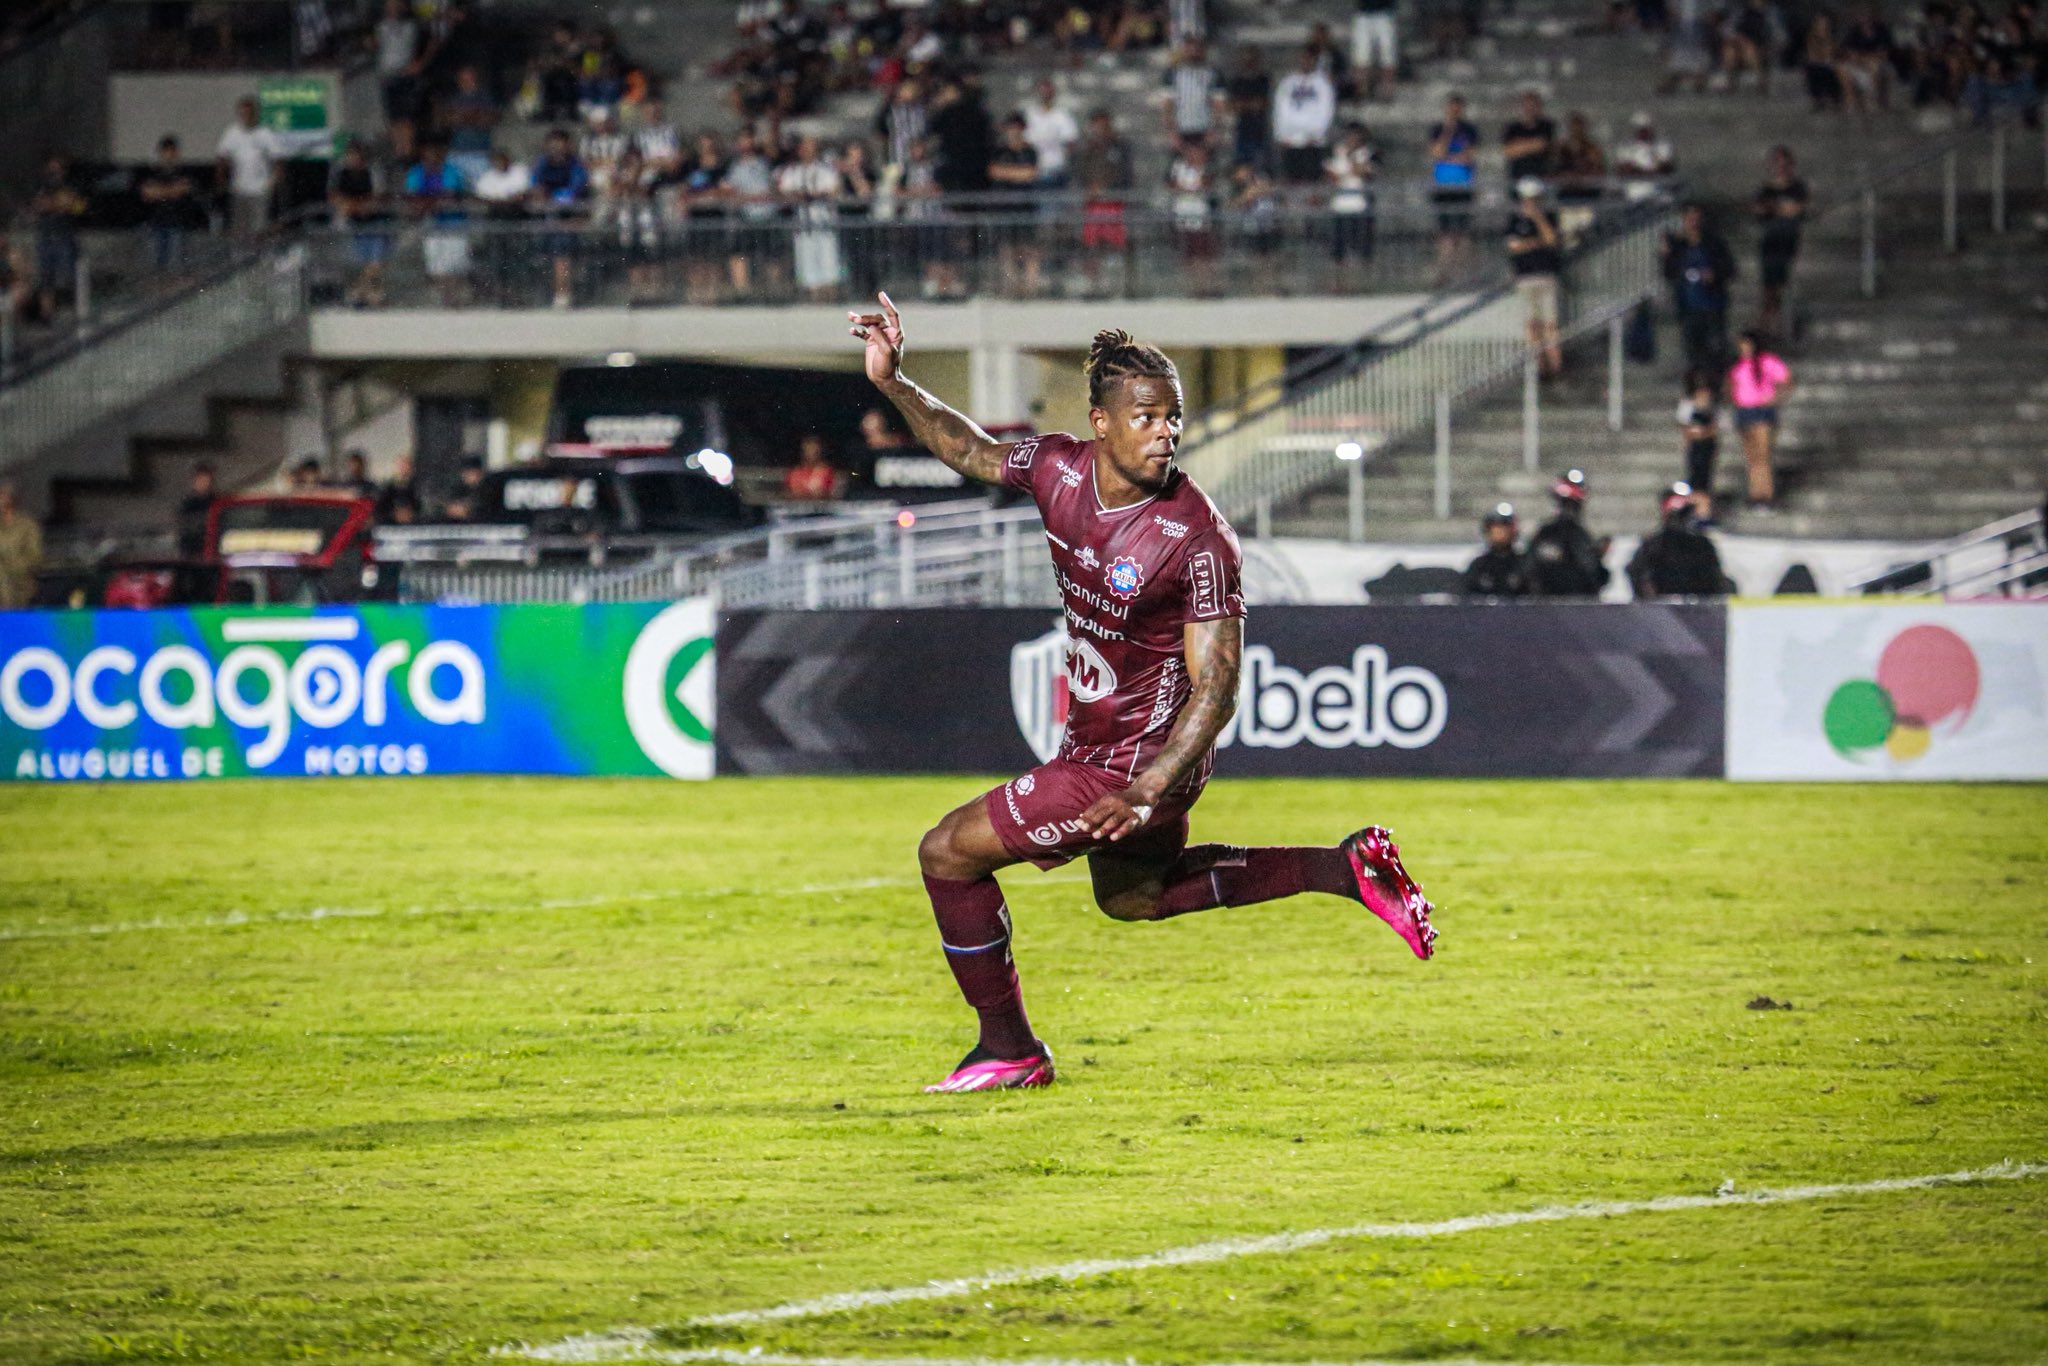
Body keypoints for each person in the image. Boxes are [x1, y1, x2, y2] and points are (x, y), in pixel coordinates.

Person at [847, 294, 1436, 1093]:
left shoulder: (1195, 536)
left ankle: (1008, 1048)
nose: (1167, 432)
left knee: (947, 854)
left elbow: (1218, 688)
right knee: (1134, 898)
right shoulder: (1057, 469)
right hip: (1099, 744)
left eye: (1174, 418)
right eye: (1148, 416)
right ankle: (1347, 869)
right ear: (1101, 422)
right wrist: (896, 382)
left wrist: (1147, 786)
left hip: (1137, 759)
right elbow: (973, 450)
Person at [1661, 202, 1735, 377]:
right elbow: (1669, 272)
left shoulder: (1715, 243)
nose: (1693, 222)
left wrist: (1714, 274)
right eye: (1689, 218)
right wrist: (1666, 255)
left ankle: (1716, 380)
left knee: (1716, 347)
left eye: (1696, 218)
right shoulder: (1678, 245)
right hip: (1688, 305)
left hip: (1713, 304)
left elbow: (1729, 269)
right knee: (1692, 350)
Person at [1727, 330, 1791, 510]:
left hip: (1762, 411)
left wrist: (1774, 399)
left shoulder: (1767, 361)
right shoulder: (1738, 364)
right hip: (1744, 411)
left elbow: (1787, 381)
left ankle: (1767, 494)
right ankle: (1755, 494)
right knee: (1751, 457)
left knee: (1763, 455)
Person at [1507, 177, 1563, 377]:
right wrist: (1537, 242)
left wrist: (1538, 220)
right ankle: (1538, 367)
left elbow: (1551, 240)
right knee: (1532, 324)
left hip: (1546, 275)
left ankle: (1555, 366)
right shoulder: (1515, 219)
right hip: (1526, 276)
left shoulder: (1548, 216)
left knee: (1551, 324)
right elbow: (1514, 247)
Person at [1628, 483, 1726, 597]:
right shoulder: (1654, 545)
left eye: (1684, 513)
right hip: (1662, 608)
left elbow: (1714, 578)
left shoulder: (1702, 545)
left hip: (1696, 608)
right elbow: (1637, 573)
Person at [1527, 468, 1612, 596]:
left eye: (1573, 504)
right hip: (1546, 607)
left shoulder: (1581, 537)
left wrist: (1598, 556)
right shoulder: (1546, 534)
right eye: (1566, 504)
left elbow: (1595, 578)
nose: (1568, 510)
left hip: (1578, 607)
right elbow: (1531, 572)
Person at [1753, 146, 1808, 338]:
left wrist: (1774, 208)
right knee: (1769, 286)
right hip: (1770, 241)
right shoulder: (1766, 189)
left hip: (1788, 239)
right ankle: (1769, 324)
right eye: (1777, 162)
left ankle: (1782, 324)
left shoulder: (1797, 187)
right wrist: (1781, 208)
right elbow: (1760, 210)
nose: (1781, 166)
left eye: (1785, 162)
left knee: (1783, 283)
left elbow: (1796, 209)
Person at [1426, 94, 1480, 284]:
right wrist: (1448, 131)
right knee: (1444, 234)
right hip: (1442, 186)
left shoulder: (1469, 130)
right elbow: (1436, 152)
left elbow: (1469, 156)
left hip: (1463, 185)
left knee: (1462, 233)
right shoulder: (1438, 129)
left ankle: (1464, 274)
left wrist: (1448, 157)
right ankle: (1444, 272)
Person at [216, 96, 284, 241]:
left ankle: (258, 260)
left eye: (249, 113)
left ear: (255, 113)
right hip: (239, 189)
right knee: (239, 228)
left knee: (259, 229)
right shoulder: (232, 133)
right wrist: (222, 180)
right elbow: (222, 157)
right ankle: (239, 259)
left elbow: (278, 159)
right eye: (243, 113)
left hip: (260, 190)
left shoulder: (265, 133)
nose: (246, 116)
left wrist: (271, 183)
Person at [30, 157, 86, 322]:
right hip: (45, 236)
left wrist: (55, 204)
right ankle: (46, 314)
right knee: (46, 278)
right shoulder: (42, 186)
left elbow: (73, 205)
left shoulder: (73, 184)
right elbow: (38, 205)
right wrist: (58, 203)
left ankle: (77, 310)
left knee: (69, 276)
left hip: (64, 235)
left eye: (58, 167)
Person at [1273, 47, 1337, 187]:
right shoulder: (1288, 82)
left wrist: (1317, 133)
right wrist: (1281, 134)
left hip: (1313, 140)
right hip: (1291, 139)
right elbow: (1280, 108)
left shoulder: (1322, 83)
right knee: (1291, 179)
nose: (1305, 62)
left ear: (1314, 61)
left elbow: (1327, 109)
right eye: (1303, 58)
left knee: (1312, 179)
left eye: (1309, 59)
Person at [140, 136, 199, 273]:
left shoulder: (184, 172)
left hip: (177, 224)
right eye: (166, 151)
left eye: (172, 151)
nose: (169, 155)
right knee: (156, 267)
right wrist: (170, 191)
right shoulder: (153, 173)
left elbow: (183, 189)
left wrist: (160, 191)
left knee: (176, 266)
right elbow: (147, 193)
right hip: (157, 224)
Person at [1326, 122, 1377, 274]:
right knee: (1339, 248)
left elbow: (1366, 173)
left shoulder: (1369, 153)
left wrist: (1351, 162)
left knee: (1360, 246)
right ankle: (1340, 281)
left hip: (1360, 206)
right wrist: (1351, 171)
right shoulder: (1336, 152)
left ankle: (1361, 279)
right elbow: (1332, 177)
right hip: (1340, 205)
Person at [1675, 372, 1720, 523]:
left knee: (1704, 480)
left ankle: (1704, 513)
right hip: (1695, 448)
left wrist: (1704, 433)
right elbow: (1684, 427)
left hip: (1707, 447)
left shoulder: (1712, 410)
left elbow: (1716, 429)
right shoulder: (1688, 406)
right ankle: (1694, 511)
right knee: (1695, 479)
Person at [1022, 78, 1079, 192]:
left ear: (1053, 93)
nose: (1045, 95)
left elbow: (1071, 141)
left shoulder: (1062, 115)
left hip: (1055, 169)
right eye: (1042, 91)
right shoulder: (1030, 114)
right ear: (1037, 93)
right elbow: (1024, 140)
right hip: (1033, 169)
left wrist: (1061, 159)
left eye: (1048, 92)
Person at [1463, 503, 1531, 597]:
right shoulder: (1478, 566)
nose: (1500, 533)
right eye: (1495, 528)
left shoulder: (1525, 565)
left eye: (1505, 528)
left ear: (1513, 531)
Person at [1223, 45, 1273, 171]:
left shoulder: (1263, 79)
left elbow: (1261, 104)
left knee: (1260, 168)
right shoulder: (1236, 81)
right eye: (1246, 59)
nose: (1248, 62)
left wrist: (1243, 105)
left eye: (1251, 58)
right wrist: (1249, 105)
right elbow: (1232, 106)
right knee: (1241, 168)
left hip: (1259, 130)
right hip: (1240, 131)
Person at [1613, 112, 1674, 201]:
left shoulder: (1663, 145)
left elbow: (1665, 168)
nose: (1643, 132)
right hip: (1633, 192)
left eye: (1646, 128)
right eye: (1640, 129)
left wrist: (1639, 170)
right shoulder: (1625, 147)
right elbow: (1623, 170)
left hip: (1659, 190)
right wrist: (1649, 172)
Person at [1501, 90, 1556, 185]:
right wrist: (1532, 144)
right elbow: (1508, 151)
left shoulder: (1546, 126)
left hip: (1541, 177)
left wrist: (1520, 145)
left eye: (1533, 105)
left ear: (1539, 107)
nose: (1530, 108)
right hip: (1518, 177)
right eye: (1527, 105)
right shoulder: (1512, 128)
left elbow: (1542, 144)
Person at [0, 483, 41, 610]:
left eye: (2, 495)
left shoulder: (26, 526)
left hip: (19, 586)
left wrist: (12, 566)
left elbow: (34, 557)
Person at [1351, 0, 1400, 101]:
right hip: (1363, 13)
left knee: (1388, 56)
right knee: (1361, 56)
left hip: (1385, 13)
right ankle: (1362, 91)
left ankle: (1388, 91)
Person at [784, 433, 842, 499]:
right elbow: (788, 493)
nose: (811, 453)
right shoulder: (794, 473)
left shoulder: (827, 472)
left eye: (814, 450)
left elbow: (831, 494)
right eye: (808, 449)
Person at [176, 463, 216, 557]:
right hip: (192, 552)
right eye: (199, 479)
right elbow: (184, 528)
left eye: (205, 479)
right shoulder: (187, 505)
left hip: (212, 551)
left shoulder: (216, 502)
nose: (202, 483)